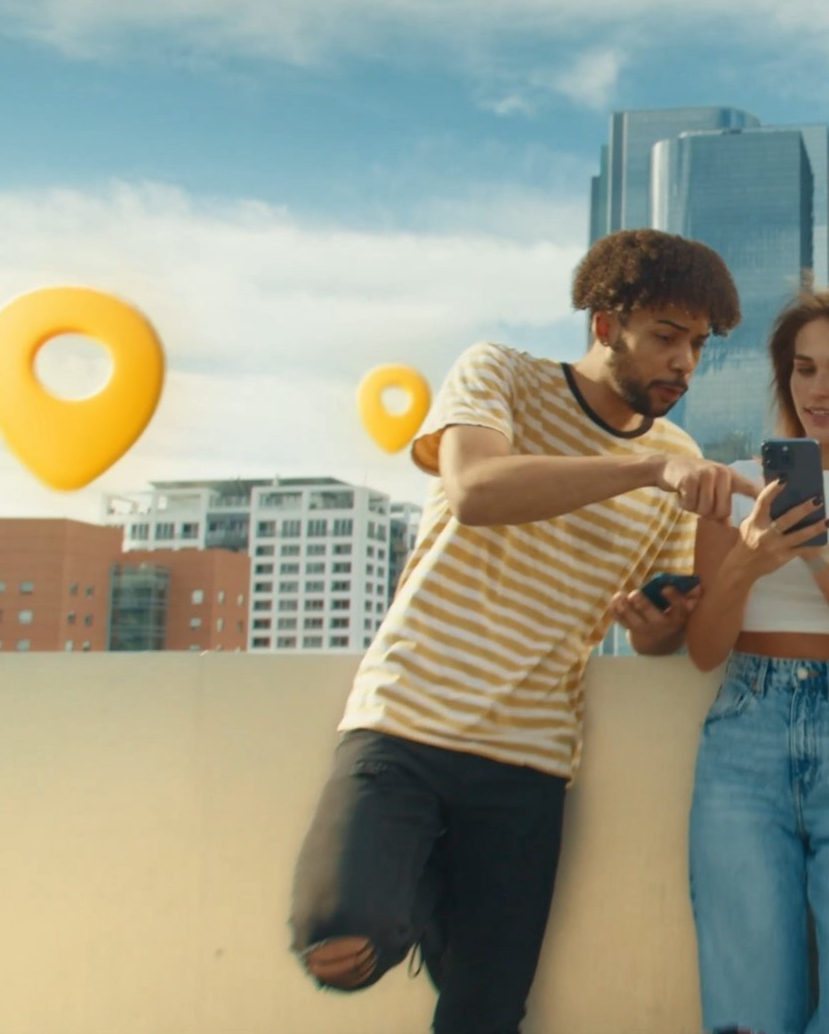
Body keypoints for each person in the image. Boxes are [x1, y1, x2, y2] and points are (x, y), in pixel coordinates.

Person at [287, 228, 758, 1034]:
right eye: (666, 336)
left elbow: (656, 638)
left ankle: (433, 900)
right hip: (404, 720)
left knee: (486, 1014)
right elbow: (475, 488)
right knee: (339, 933)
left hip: (529, 758)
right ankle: (413, 898)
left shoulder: (677, 453)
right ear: (606, 325)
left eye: (698, 344)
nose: (684, 362)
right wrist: (645, 469)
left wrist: (658, 623)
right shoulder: (500, 373)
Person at [628, 291, 829, 1034]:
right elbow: (706, 649)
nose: (818, 389)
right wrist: (746, 557)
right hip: (743, 734)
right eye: (804, 369)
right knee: (747, 1006)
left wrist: (817, 553)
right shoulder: (734, 484)